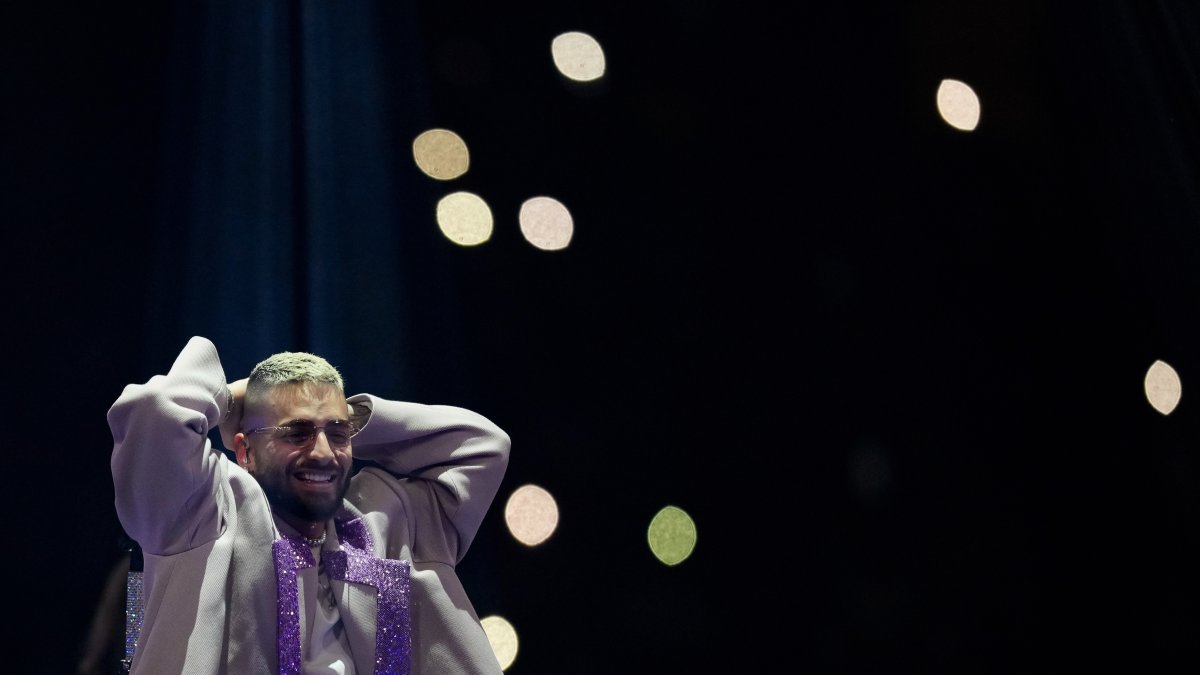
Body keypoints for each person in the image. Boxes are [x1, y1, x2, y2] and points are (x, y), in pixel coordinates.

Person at [108, 335, 511, 674]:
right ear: (245, 451)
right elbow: (157, 408)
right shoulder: (205, 513)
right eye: (296, 433)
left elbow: (483, 446)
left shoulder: (389, 519)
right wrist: (231, 401)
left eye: (337, 434)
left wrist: (349, 416)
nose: (322, 453)